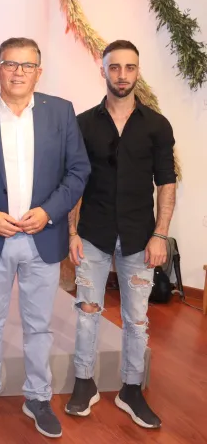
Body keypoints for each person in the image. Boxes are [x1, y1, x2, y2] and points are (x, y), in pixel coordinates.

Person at [0, 37, 89, 439]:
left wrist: (49, 212)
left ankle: (38, 397)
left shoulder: (61, 112)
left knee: (39, 325)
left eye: (27, 65)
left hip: (42, 237)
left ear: (38, 72)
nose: (18, 72)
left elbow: (78, 170)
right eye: (10, 64)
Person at [66, 40, 175, 429]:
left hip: (139, 237)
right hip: (92, 233)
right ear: (104, 71)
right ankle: (84, 382)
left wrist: (161, 235)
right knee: (87, 312)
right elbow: (76, 182)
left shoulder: (157, 125)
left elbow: (166, 182)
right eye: (115, 67)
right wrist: (72, 232)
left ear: (137, 72)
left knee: (137, 319)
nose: (122, 75)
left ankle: (131, 389)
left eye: (130, 67)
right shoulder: (83, 123)